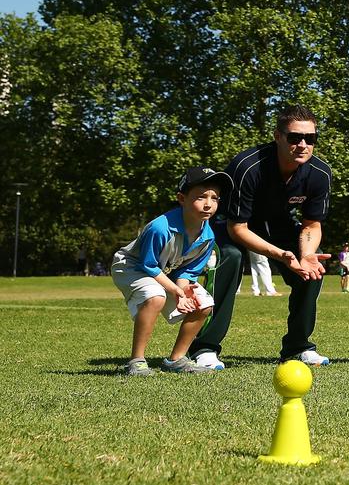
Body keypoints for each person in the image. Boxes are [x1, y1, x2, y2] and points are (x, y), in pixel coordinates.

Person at [188, 104, 333, 369]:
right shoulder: (248, 166)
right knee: (229, 258)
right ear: (277, 136)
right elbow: (238, 229)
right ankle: (204, 348)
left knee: (311, 272)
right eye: (294, 137)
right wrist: (280, 255)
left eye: (310, 139)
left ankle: (297, 347)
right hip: (234, 224)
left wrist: (307, 254)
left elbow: (312, 224)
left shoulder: (320, 173)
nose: (303, 145)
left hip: (278, 224)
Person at [110, 168, 231, 375]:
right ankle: (136, 361)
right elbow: (147, 264)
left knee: (204, 304)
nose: (209, 204)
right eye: (201, 197)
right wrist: (177, 292)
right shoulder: (160, 227)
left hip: (164, 273)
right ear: (181, 198)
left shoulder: (208, 236)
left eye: (215, 198)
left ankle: (176, 360)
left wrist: (185, 291)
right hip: (130, 267)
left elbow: (188, 271)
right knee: (155, 297)